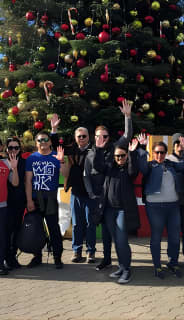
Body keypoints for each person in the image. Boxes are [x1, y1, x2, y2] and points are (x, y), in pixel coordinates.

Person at [84, 99, 133, 270]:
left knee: (117, 233)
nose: (102, 139)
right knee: (104, 232)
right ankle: (106, 259)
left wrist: (127, 117)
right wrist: (91, 194)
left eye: (105, 136)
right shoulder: (91, 153)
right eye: (99, 136)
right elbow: (88, 174)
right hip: (98, 197)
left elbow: (127, 137)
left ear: (108, 137)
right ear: (95, 137)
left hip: (111, 197)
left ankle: (122, 263)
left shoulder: (115, 149)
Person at [137, 136, 184, 279]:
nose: (159, 155)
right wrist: (142, 148)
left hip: (173, 206)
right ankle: (157, 266)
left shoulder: (171, 164)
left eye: (162, 152)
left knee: (175, 237)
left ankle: (173, 263)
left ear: (166, 153)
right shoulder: (150, 166)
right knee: (156, 237)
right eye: (156, 152)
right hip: (155, 207)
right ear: (152, 153)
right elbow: (141, 166)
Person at [94, 140, 140, 284]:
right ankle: (121, 267)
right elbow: (97, 166)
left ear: (127, 155)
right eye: (117, 156)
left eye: (123, 156)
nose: (120, 159)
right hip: (109, 210)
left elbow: (134, 171)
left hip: (123, 211)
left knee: (121, 241)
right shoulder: (110, 168)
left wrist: (132, 153)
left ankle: (127, 270)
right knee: (116, 241)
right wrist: (99, 150)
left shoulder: (129, 169)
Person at [25, 131, 67, 269]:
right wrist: (29, 200)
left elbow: (66, 175)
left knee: (54, 229)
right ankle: (37, 257)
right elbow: (28, 181)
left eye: (45, 139)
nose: (42, 142)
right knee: (36, 230)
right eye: (39, 140)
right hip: (36, 198)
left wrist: (61, 161)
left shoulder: (56, 156)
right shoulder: (31, 158)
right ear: (36, 143)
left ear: (50, 142)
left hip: (50, 199)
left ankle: (57, 257)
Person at [65, 125, 97, 263]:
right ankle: (77, 251)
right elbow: (54, 146)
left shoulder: (95, 149)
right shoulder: (71, 149)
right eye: (79, 136)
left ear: (89, 137)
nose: (82, 138)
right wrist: (54, 130)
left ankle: (90, 252)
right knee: (77, 224)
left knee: (90, 224)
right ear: (75, 138)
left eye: (84, 136)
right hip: (76, 193)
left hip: (91, 194)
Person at [166, 133, 184, 269]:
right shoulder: (168, 159)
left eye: (181, 144)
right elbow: (179, 170)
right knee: (174, 232)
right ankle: (173, 259)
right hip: (173, 202)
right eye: (177, 144)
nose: (179, 147)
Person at [4, 137, 26, 269]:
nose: (13, 150)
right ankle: (6, 258)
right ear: (6, 149)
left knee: (16, 230)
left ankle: (12, 257)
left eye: (16, 147)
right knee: (6, 232)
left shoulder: (24, 162)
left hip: (18, 201)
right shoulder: (2, 162)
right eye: (10, 147)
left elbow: (21, 183)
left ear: (20, 149)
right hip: (4, 202)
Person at [0, 152, 19, 275]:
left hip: (2, 205)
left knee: (2, 236)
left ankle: (0, 263)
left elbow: (15, 183)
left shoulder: (5, 163)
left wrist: (14, 168)